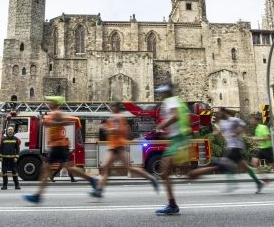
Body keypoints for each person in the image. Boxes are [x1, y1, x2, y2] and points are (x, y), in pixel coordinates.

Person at [23, 96, 98, 204]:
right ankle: (92, 180)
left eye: (50, 102)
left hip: (59, 145)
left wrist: (49, 124)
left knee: (46, 169)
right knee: (66, 169)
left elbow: (65, 122)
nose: (48, 103)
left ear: (55, 103)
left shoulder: (57, 113)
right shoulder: (54, 113)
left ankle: (37, 196)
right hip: (58, 145)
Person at [90, 102, 159, 198]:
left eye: (112, 105)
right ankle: (99, 190)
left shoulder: (116, 117)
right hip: (115, 146)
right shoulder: (117, 117)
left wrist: (105, 128)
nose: (110, 107)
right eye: (110, 105)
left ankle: (151, 178)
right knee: (107, 167)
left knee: (115, 167)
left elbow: (116, 130)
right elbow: (127, 132)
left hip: (118, 147)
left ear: (116, 107)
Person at [190, 108, 264, 193]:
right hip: (230, 147)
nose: (219, 114)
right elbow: (219, 132)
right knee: (244, 167)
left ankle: (232, 184)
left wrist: (237, 132)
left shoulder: (234, 120)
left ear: (224, 112)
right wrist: (215, 133)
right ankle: (258, 182)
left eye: (220, 113)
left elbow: (244, 126)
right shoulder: (222, 123)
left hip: (236, 146)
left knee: (224, 163)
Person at [154, 84, 191, 215]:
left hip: (179, 139)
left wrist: (162, 125)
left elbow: (175, 116)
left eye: (162, 93)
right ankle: (172, 204)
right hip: (177, 139)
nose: (161, 95)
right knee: (170, 172)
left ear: (166, 92)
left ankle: (172, 205)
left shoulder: (171, 100)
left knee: (166, 172)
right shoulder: (176, 100)